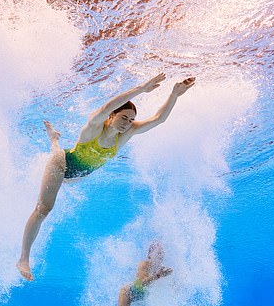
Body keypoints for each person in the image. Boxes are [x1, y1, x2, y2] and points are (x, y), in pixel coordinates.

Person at [16, 73, 196, 281]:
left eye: (131, 120)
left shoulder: (127, 133)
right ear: (112, 116)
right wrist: (141, 89)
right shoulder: (94, 128)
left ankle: (54, 138)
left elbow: (159, 119)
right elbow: (103, 108)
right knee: (44, 208)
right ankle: (23, 259)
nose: (127, 123)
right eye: (123, 117)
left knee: (60, 179)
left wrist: (174, 95)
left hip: (79, 175)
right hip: (62, 164)